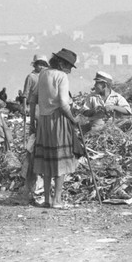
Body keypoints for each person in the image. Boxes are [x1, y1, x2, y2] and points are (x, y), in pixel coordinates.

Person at [29, 48, 82, 209]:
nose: (70, 70)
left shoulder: (43, 74)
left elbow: (33, 99)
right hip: (59, 120)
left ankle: (46, 200)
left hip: (44, 121)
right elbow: (63, 103)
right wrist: (73, 120)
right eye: (69, 66)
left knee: (47, 162)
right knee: (61, 162)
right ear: (61, 63)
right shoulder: (61, 76)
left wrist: (32, 121)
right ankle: (57, 200)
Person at [23, 54, 49, 133]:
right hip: (34, 103)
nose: (41, 67)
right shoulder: (31, 77)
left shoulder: (47, 75)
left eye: (43, 65)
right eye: (39, 64)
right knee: (34, 122)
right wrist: (24, 107)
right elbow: (25, 93)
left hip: (45, 102)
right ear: (35, 65)